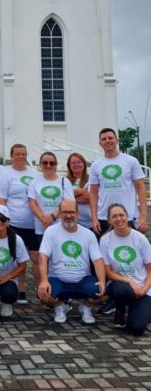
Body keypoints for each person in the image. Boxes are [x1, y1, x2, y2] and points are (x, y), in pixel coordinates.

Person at [38, 199, 105, 325]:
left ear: (78, 213)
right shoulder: (51, 231)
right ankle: (59, 306)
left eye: (72, 212)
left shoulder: (88, 234)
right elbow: (42, 257)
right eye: (65, 212)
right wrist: (43, 280)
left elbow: (97, 260)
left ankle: (86, 307)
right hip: (58, 280)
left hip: (82, 280)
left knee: (105, 293)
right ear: (60, 213)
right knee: (43, 294)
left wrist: (101, 280)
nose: (69, 215)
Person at [0, 144, 37, 302]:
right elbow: (0, 199)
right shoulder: (6, 175)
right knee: (18, 258)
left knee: (37, 258)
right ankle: (20, 288)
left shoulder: (34, 174)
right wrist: (5, 221)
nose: (20, 157)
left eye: (23, 154)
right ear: (11, 156)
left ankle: (41, 289)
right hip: (15, 223)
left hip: (34, 223)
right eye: (17, 154)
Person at [100, 203, 151, 335]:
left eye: (121, 215)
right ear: (109, 220)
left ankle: (139, 310)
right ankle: (120, 309)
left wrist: (145, 288)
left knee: (136, 329)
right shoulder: (105, 240)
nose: (119, 219)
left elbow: (150, 270)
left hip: (143, 288)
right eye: (114, 216)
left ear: (127, 217)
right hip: (121, 284)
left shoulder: (140, 239)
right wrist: (129, 281)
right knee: (120, 290)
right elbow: (108, 272)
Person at [89, 128, 147, 235]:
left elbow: (140, 188)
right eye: (104, 139)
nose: (107, 141)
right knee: (106, 250)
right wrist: (94, 217)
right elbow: (93, 193)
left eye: (110, 138)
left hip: (128, 216)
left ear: (117, 140)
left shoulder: (131, 161)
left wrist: (143, 215)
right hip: (104, 217)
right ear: (100, 143)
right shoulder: (95, 165)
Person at [28, 152, 74, 240]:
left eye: (52, 163)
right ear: (40, 164)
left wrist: (51, 217)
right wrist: (44, 220)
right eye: (45, 163)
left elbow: (68, 203)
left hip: (60, 226)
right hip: (41, 226)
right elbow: (32, 204)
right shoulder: (34, 182)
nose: (48, 165)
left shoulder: (64, 181)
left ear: (56, 165)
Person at [66, 153, 91, 229]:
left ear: (84, 164)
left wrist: (70, 195)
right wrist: (81, 191)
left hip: (91, 223)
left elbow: (89, 197)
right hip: (73, 222)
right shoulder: (65, 180)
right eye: (73, 163)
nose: (76, 164)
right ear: (69, 166)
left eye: (79, 162)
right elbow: (62, 198)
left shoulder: (91, 179)